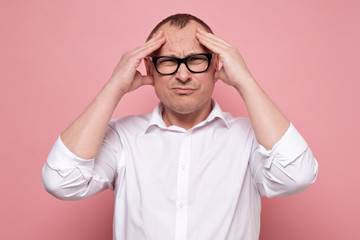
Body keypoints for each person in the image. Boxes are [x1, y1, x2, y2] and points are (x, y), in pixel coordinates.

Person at [42, 13, 318, 240]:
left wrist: (245, 81)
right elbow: (61, 181)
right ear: (150, 69)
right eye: (169, 61)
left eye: (196, 60)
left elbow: (297, 176)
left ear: (216, 65)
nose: (183, 75)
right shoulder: (122, 138)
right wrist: (114, 87)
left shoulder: (250, 139)